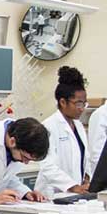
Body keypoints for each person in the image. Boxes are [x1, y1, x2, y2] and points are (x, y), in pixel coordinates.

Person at [35, 66, 90, 196]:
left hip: (73, 194)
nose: (82, 109)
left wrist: (87, 178)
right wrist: (72, 186)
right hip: (51, 194)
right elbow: (47, 166)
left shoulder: (79, 126)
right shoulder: (48, 127)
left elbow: (84, 158)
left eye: (84, 104)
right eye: (78, 104)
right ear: (63, 102)